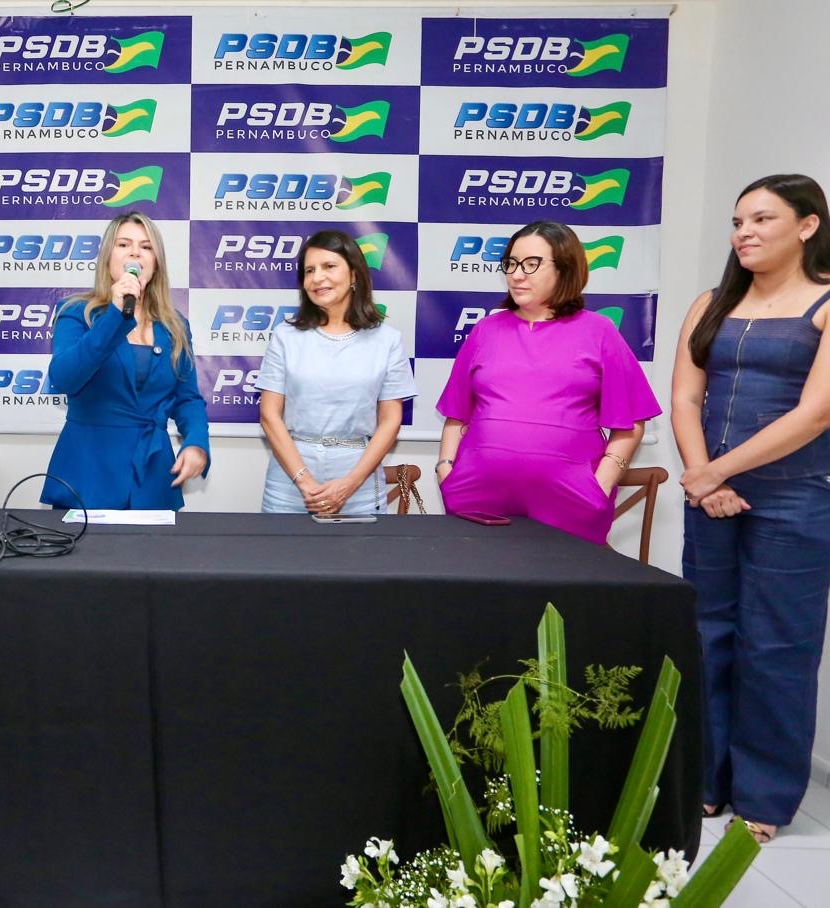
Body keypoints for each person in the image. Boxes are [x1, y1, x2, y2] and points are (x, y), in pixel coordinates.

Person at [671, 174, 830, 845]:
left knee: (777, 646)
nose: (745, 233)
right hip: (709, 496)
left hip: (796, 499)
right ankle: (705, 783)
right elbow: (685, 399)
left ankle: (764, 796)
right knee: (707, 636)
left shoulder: (825, 303)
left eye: (762, 219)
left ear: (808, 225)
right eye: (738, 222)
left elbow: (816, 413)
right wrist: (703, 479)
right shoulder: (711, 303)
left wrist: (717, 470)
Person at [435, 219, 660, 544]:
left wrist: (601, 484)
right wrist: (446, 469)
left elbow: (631, 421)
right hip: (476, 499)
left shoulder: (599, 331)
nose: (516, 274)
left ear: (564, 269)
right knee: (479, 577)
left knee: (564, 579)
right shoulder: (486, 331)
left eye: (531, 264)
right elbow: (457, 414)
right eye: (511, 263)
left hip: (571, 505)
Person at [40, 212, 208, 510]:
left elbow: (187, 398)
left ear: (156, 263)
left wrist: (196, 442)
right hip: (88, 473)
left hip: (153, 476)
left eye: (146, 247)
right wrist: (115, 316)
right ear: (108, 257)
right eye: (124, 244)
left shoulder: (175, 325)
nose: (135, 253)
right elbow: (64, 378)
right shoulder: (76, 313)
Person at [257, 230, 414, 514]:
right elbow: (269, 415)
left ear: (354, 274)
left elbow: (391, 421)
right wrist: (305, 482)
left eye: (329, 266)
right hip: (290, 483)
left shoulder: (387, 340)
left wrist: (350, 484)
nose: (317, 278)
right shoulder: (284, 336)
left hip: (359, 483)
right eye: (309, 270)